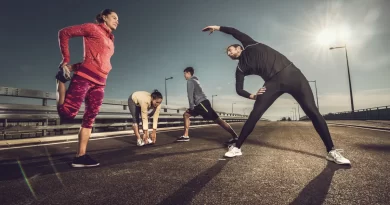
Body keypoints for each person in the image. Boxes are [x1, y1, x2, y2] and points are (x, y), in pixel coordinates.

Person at [202, 25, 351, 165]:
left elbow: (234, 31)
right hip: (272, 84)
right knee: (255, 114)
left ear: (239, 47)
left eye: (230, 50)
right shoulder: (240, 68)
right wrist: (253, 96)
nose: (229, 54)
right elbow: (239, 89)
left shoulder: (250, 44)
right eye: (227, 53)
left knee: (312, 111)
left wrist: (217, 28)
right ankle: (237, 148)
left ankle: (331, 151)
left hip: (293, 75)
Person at [56, 9, 119, 168]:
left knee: (89, 119)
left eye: (117, 19)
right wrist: (66, 59)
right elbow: (64, 33)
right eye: (113, 17)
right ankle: (60, 81)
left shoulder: (111, 40)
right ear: (104, 17)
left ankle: (80, 156)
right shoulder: (92, 28)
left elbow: (95, 60)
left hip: (101, 82)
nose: (117, 20)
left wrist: (74, 66)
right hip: (84, 79)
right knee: (67, 113)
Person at [177, 67, 258, 144]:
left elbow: (190, 95)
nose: (184, 75)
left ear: (188, 73)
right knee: (186, 115)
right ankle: (186, 135)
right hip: (201, 104)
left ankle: (235, 137)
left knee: (218, 120)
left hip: (201, 104)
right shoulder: (196, 80)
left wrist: (191, 107)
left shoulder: (190, 81)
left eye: (185, 73)